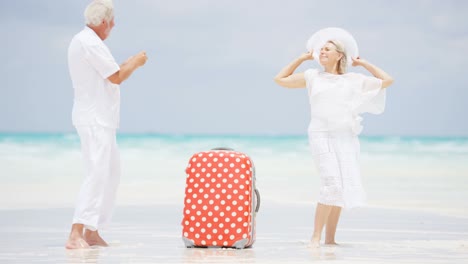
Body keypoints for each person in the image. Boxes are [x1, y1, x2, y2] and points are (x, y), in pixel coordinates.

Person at [273, 29, 394, 247]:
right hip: (321, 135)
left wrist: (363, 63)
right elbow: (280, 79)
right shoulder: (312, 76)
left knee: (342, 187)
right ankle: (315, 237)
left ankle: (330, 239)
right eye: (321, 50)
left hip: (345, 137)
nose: (322, 52)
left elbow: (387, 80)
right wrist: (301, 58)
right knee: (332, 185)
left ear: (340, 55)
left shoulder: (353, 80)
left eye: (327, 49)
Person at [66, 0, 148, 249]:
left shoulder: (90, 42)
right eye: (111, 21)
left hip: (102, 119)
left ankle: (92, 230)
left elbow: (111, 72)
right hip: (94, 119)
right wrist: (136, 62)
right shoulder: (88, 42)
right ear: (103, 22)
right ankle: (76, 231)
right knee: (97, 173)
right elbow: (117, 77)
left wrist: (128, 63)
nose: (113, 25)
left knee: (111, 174)